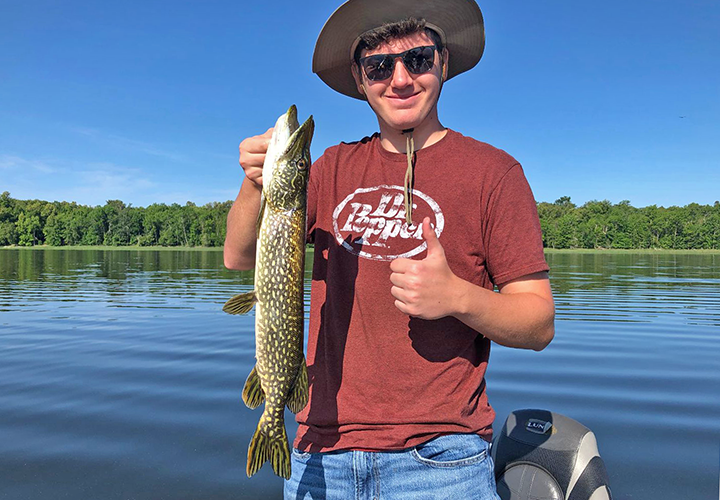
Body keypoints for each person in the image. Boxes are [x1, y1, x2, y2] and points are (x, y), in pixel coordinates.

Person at [224, 0, 555, 498]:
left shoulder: (494, 174)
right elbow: (241, 257)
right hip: (320, 453)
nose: (400, 79)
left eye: (417, 60)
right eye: (379, 66)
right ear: (361, 80)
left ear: (442, 63)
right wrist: (256, 183)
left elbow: (539, 324)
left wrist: (457, 297)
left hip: (443, 460)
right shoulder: (329, 169)